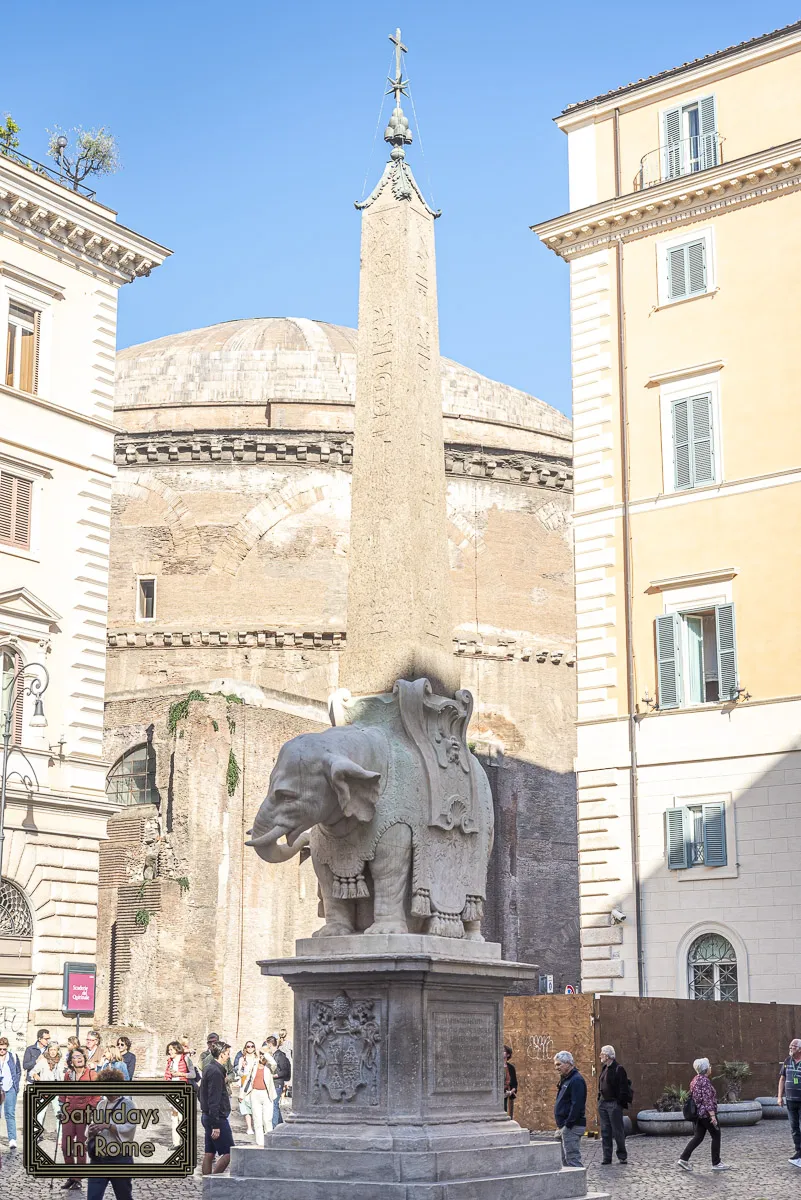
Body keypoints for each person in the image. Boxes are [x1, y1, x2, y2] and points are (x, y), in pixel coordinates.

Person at [86, 1067, 137, 1200]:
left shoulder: (128, 1104)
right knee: (93, 1196)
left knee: (123, 1196)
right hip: (98, 1158)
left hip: (119, 1158)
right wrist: (91, 1130)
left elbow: (129, 1127)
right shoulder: (101, 1104)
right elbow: (94, 1123)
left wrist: (108, 1125)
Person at [678, 1057, 733, 1172]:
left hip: (699, 1114)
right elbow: (707, 1100)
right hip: (707, 1114)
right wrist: (712, 1116)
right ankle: (716, 1162)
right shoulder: (705, 1081)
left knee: (698, 1137)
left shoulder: (695, 1080)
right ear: (706, 1069)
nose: (710, 1068)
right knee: (716, 1135)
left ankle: (683, 1159)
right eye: (709, 1066)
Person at [60, 1046, 99, 1190]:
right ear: (71, 1061)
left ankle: (77, 1178)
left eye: (80, 1056)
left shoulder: (92, 1075)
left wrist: (90, 1107)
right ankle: (71, 1175)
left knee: (80, 1147)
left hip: (83, 1115)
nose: (78, 1058)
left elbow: (97, 1095)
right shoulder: (68, 1075)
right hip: (69, 1114)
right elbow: (63, 1094)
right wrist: (61, 1108)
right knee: (65, 1146)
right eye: (75, 1057)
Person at [199, 1041, 235, 1175]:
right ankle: (212, 1180)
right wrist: (215, 1124)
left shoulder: (209, 1068)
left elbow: (201, 1093)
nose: (228, 1057)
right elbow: (214, 1099)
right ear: (221, 1054)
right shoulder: (215, 1072)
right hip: (216, 1117)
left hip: (208, 1115)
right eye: (227, 1054)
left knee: (209, 1152)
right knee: (229, 1153)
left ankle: (207, 1182)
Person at [597, 1043, 630, 1166]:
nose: (600, 1055)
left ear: (607, 1055)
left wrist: (619, 1103)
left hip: (613, 1103)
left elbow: (623, 1087)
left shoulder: (618, 1068)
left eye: (602, 1053)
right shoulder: (604, 1068)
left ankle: (622, 1156)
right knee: (605, 1131)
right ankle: (607, 1157)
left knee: (618, 1131)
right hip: (603, 1103)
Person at [553, 1051, 587, 1167]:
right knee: (563, 1161)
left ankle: (577, 1184)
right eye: (556, 1065)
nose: (556, 1068)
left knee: (572, 1160)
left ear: (568, 1063)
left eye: (559, 1065)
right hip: (563, 1126)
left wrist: (568, 1125)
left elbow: (577, 1105)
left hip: (571, 1126)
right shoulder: (565, 1079)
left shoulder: (576, 1080)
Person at [165, 1039, 198, 1146]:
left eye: (171, 1049)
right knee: (174, 1118)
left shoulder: (186, 1060)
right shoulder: (170, 1061)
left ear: (176, 1049)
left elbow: (193, 1075)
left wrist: (180, 1074)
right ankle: (176, 1144)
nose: (169, 1052)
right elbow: (167, 1076)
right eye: (169, 1050)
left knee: (182, 1118)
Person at [778, 1037, 801, 1167]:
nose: (791, 1048)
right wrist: (780, 1097)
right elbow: (782, 1079)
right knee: (794, 1128)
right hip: (791, 1100)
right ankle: (798, 1151)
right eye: (790, 1046)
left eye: (793, 1046)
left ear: (800, 1049)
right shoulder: (787, 1061)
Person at [249, 1044, 277, 1147]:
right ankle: (260, 1143)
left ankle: (269, 1142)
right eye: (260, 1054)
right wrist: (243, 1094)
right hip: (255, 1093)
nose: (261, 1056)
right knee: (257, 1120)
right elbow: (248, 1078)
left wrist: (266, 1055)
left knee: (267, 1119)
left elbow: (274, 1064)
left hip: (267, 1094)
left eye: (263, 1054)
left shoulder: (269, 1067)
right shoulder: (254, 1064)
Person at [0, 1036, 21, 1149]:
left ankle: (12, 1139)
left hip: (9, 1089)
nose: (2, 1051)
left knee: (10, 1114)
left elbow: (18, 1071)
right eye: (0, 1049)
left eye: (4, 1049)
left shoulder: (12, 1057)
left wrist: (15, 1085)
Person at [265, 1035, 290, 1127]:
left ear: (270, 1044)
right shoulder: (274, 1055)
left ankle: (274, 1126)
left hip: (277, 1083)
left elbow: (284, 1071)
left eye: (267, 1045)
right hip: (273, 1083)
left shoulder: (280, 1055)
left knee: (274, 1104)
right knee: (274, 1104)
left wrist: (273, 1076)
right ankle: (280, 1124)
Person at [236, 1041, 259, 1135]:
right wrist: (242, 1067)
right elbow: (239, 1073)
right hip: (244, 1084)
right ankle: (249, 1127)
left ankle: (257, 1126)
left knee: (255, 1106)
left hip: (254, 1084)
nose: (250, 1048)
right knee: (245, 1107)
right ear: (245, 1048)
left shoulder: (257, 1059)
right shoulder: (242, 1059)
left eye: (252, 1046)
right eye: (248, 1046)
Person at [503, 1046, 518, 1119]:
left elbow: (515, 1084)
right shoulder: (495, 1066)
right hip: (498, 1096)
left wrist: (510, 1092)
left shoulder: (511, 1067)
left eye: (503, 1051)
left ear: (508, 1055)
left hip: (507, 1095)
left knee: (508, 1117)